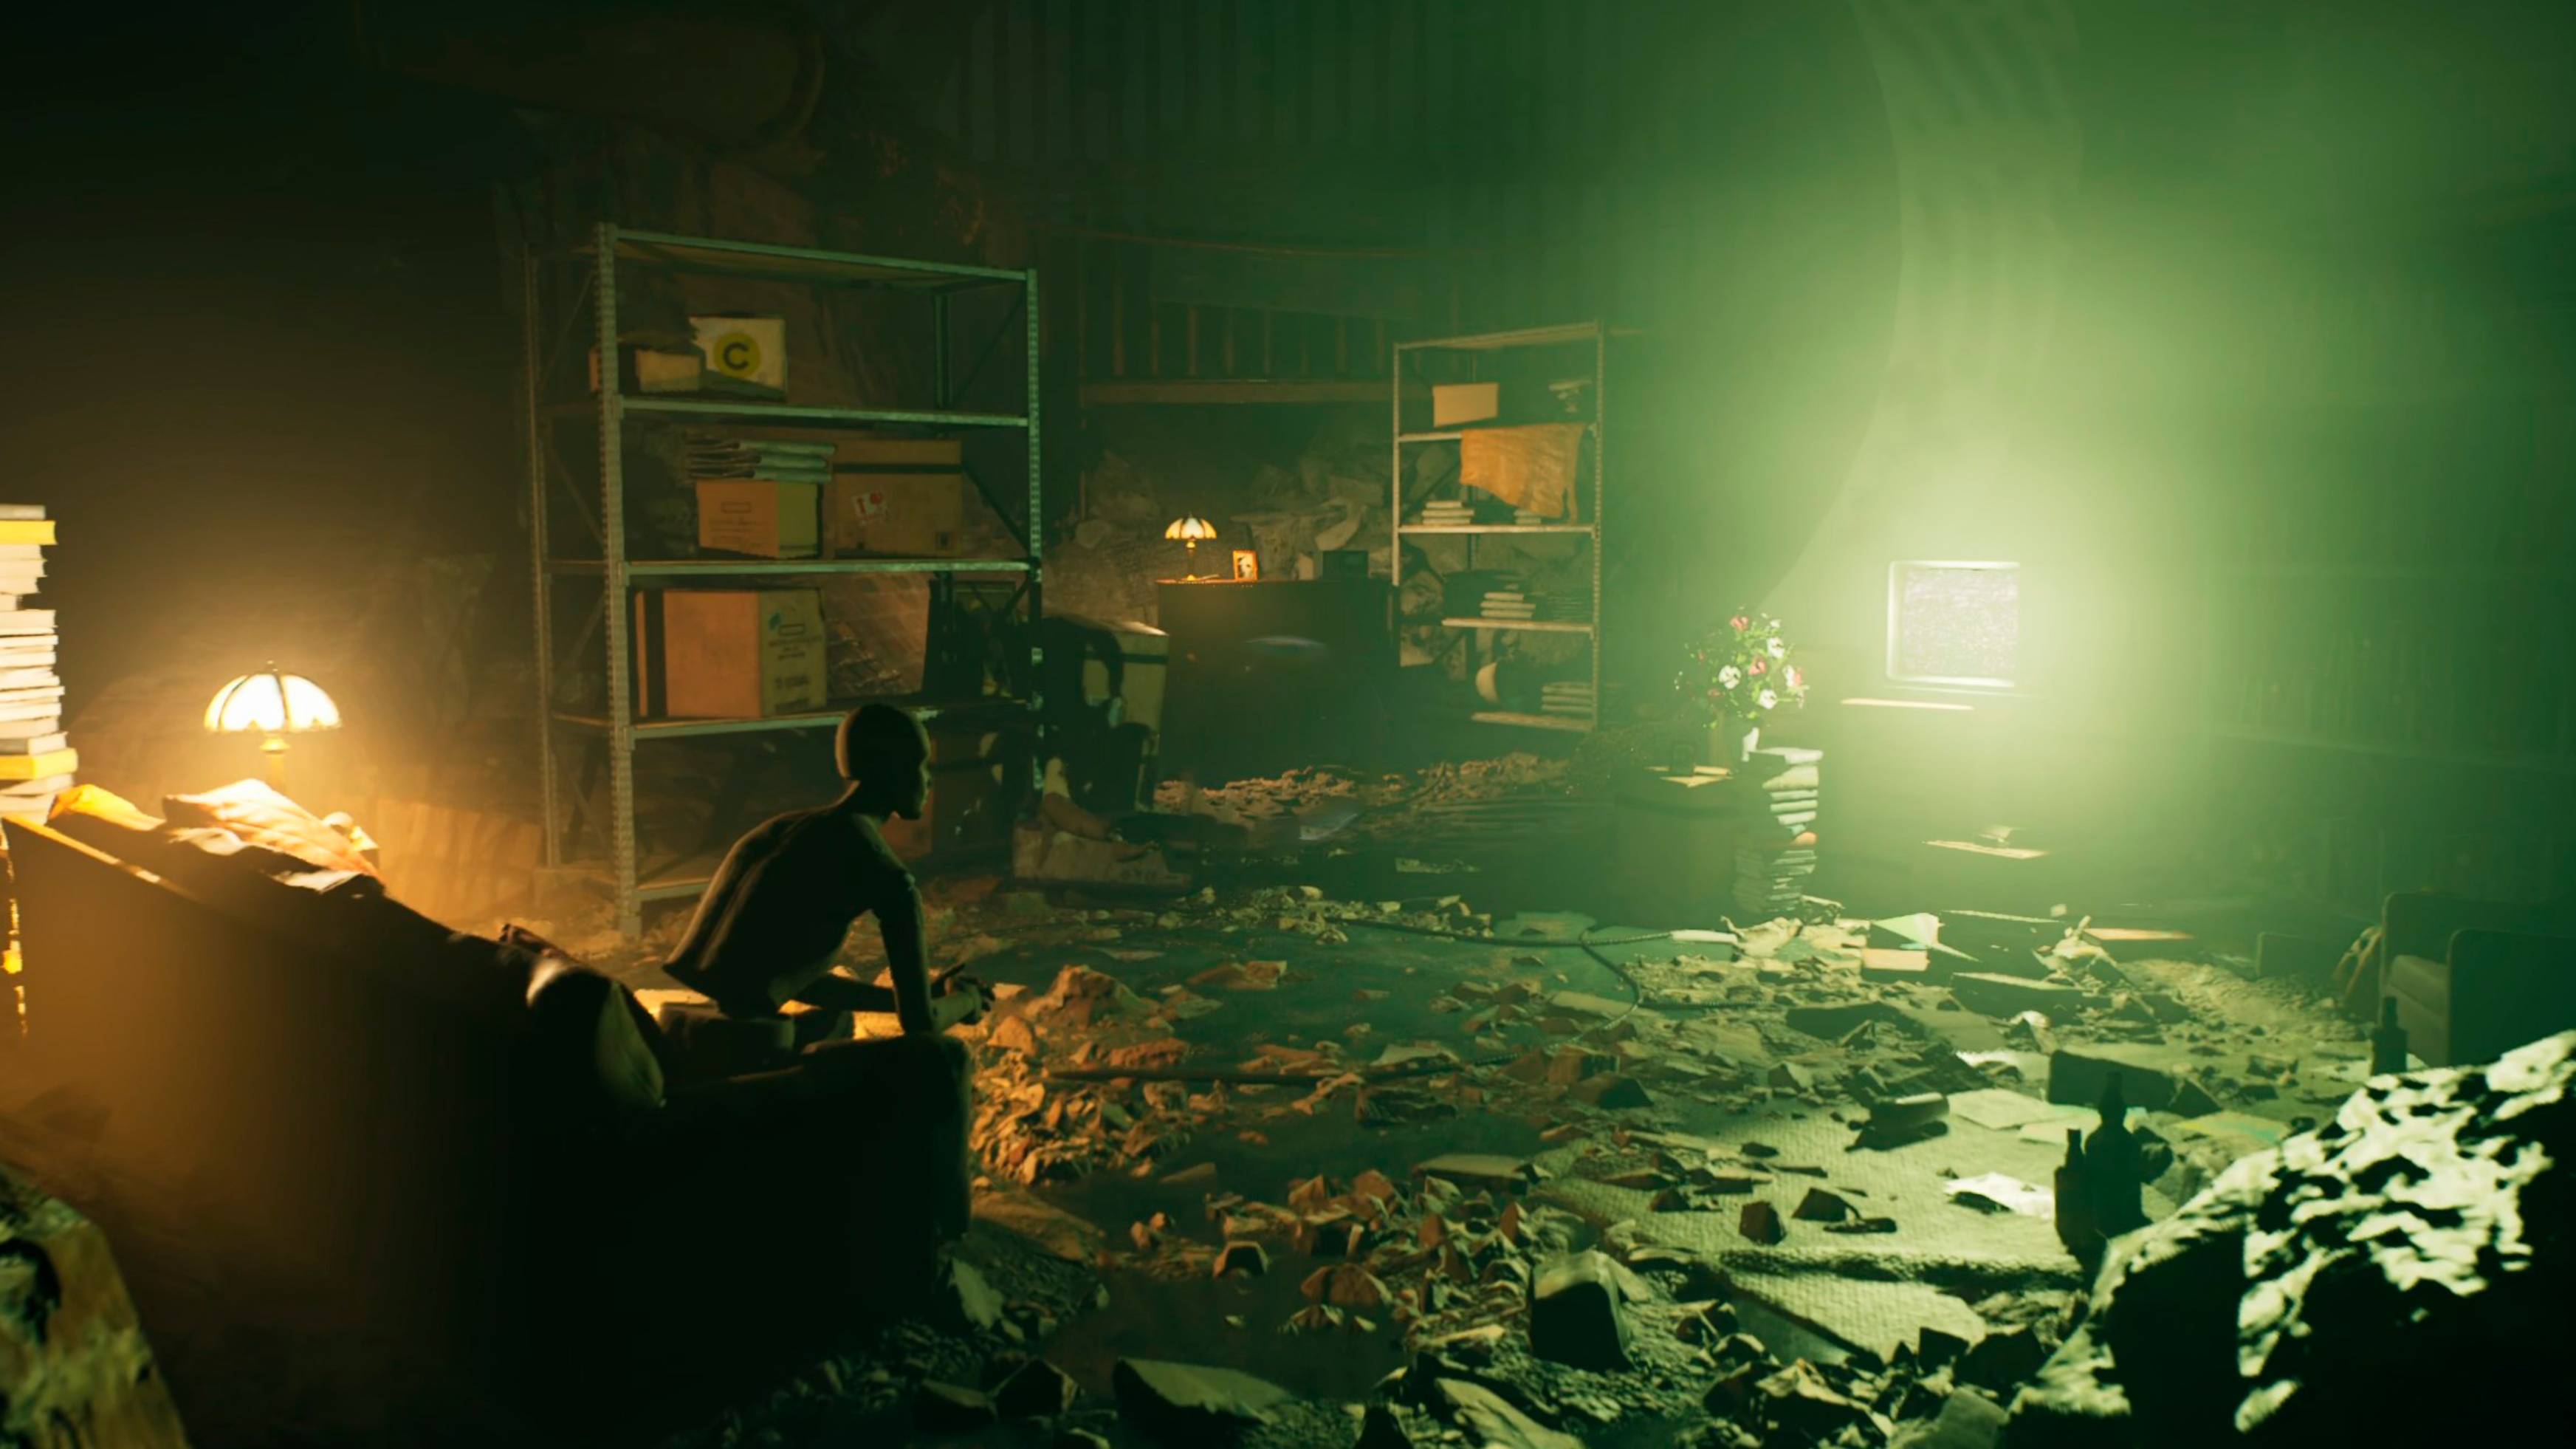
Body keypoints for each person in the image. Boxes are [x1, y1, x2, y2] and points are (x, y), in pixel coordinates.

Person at [665, 704, 989, 1035]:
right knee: (946, 1055)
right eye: (921, 765)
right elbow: (922, 1023)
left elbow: (781, 977)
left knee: (837, 1024)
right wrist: (968, 1000)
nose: (929, 780)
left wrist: (924, 994)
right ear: (896, 771)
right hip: (747, 1043)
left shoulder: (778, 830)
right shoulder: (880, 867)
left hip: (687, 1026)